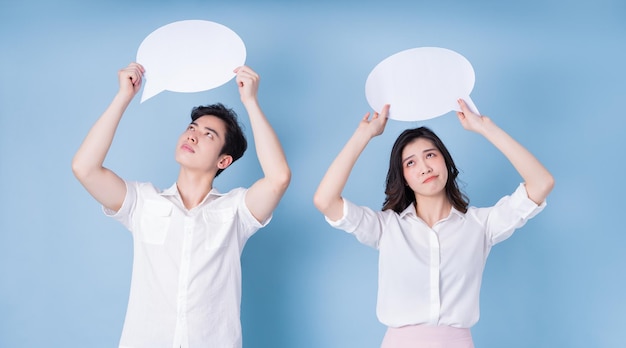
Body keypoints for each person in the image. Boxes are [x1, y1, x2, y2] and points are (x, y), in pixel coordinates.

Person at [72, 62, 291, 348]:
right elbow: (84, 168)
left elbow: (278, 178)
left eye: (208, 134)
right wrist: (123, 96)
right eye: (191, 127)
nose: (192, 135)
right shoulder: (143, 202)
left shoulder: (236, 211)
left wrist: (250, 102)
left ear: (223, 161)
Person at [313, 100, 554, 348]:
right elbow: (325, 200)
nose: (425, 167)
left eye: (430, 155)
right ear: (404, 178)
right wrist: (363, 135)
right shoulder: (387, 228)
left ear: (446, 162)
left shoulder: (480, 225)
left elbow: (541, 183)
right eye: (411, 163)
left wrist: (486, 128)